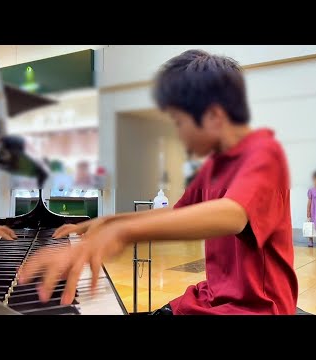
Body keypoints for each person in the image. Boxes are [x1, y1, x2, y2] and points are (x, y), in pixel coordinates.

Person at [19, 50, 298, 315]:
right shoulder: (215, 166)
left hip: (255, 308)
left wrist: (124, 233)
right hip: (211, 299)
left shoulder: (263, 155)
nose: (179, 133)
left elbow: (234, 214)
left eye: (179, 121)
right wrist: (108, 222)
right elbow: (178, 212)